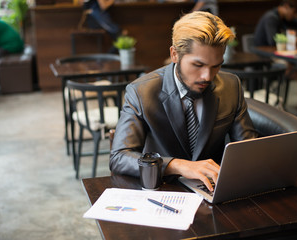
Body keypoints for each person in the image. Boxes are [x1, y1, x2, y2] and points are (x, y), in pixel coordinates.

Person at [109, 11, 258, 191]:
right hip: (162, 190)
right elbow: (119, 157)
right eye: (198, 65)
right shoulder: (141, 92)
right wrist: (178, 165)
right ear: (174, 55)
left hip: (212, 191)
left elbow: (248, 149)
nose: (207, 76)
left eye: (216, 66)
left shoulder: (231, 86)